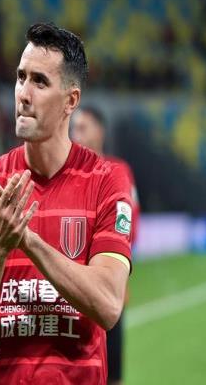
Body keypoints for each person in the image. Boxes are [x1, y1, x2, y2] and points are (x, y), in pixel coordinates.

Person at [0, 23, 136, 384]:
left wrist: (26, 240)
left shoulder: (106, 181)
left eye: (40, 82)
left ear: (71, 101)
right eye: (20, 77)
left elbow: (108, 305)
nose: (23, 93)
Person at [72, 106, 140, 385]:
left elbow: (130, 226)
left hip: (108, 286)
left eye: (82, 127)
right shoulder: (67, 173)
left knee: (112, 374)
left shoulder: (118, 172)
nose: (76, 134)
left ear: (100, 131)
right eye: (74, 128)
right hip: (73, 289)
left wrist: (117, 270)